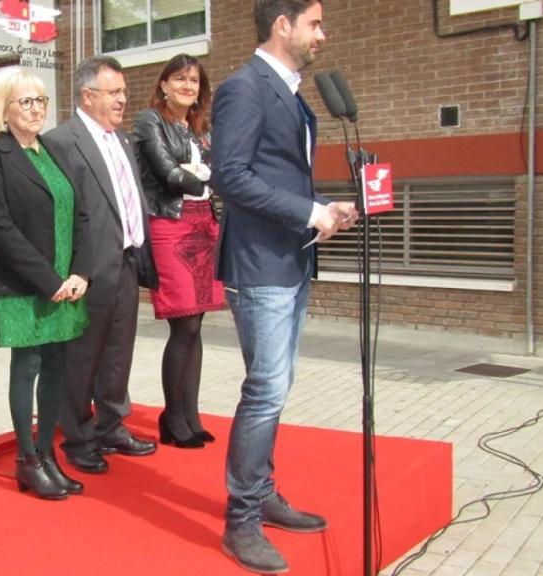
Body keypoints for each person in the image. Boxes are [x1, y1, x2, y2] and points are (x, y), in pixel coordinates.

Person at [211, 1, 358, 573]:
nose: (323, 34)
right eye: (315, 23)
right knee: (266, 389)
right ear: (283, 25)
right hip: (259, 265)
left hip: (288, 258)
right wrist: (308, 211)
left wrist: (322, 209)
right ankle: (242, 520)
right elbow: (231, 175)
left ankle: (263, 493)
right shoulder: (244, 87)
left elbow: (279, 175)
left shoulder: (292, 93)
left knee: (275, 386)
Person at [0, 68, 91, 500]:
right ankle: (27, 460)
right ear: (4, 109)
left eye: (41, 100)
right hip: (27, 284)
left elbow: (80, 214)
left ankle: (48, 455)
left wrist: (81, 273)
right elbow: (1, 230)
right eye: (26, 101)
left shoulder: (53, 149)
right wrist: (48, 281)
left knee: (58, 367)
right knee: (29, 367)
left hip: (68, 283)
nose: (37, 108)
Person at [42, 56, 157, 475]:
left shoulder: (121, 139)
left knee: (117, 351)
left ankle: (111, 424)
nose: (123, 99)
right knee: (81, 355)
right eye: (114, 92)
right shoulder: (61, 141)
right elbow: (60, 214)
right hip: (87, 269)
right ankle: (78, 436)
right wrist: (73, 270)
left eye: (124, 92)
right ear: (87, 96)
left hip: (126, 260)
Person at [133, 54, 225, 450]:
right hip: (171, 224)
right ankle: (172, 417)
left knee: (197, 323)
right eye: (180, 79)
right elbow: (166, 172)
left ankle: (190, 415)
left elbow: (221, 171)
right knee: (183, 323)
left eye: (194, 80)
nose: (188, 86)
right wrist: (205, 176)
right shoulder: (150, 120)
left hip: (205, 223)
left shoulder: (201, 130)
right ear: (164, 85)